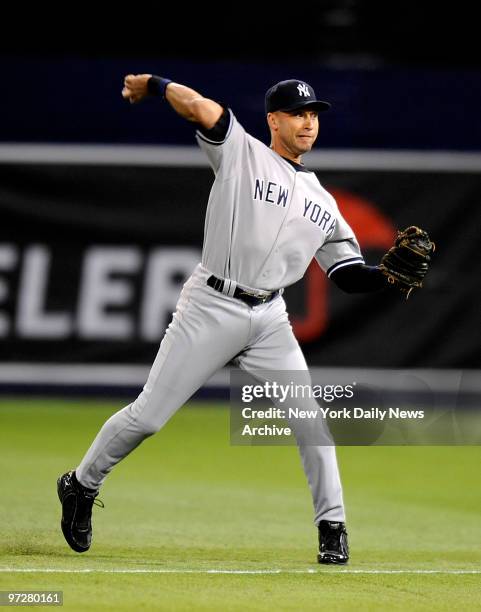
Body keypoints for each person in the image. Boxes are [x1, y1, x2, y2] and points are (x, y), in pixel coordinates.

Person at [57, 75, 404, 565]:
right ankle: (80, 483)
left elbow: (348, 275)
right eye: (298, 113)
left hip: (270, 318)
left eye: (313, 114)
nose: (308, 122)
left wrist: (387, 276)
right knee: (148, 417)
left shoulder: (324, 202)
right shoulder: (241, 151)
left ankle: (333, 527)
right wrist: (155, 85)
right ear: (273, 120)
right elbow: (200, 108)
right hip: (211, 305)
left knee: (310, 422)